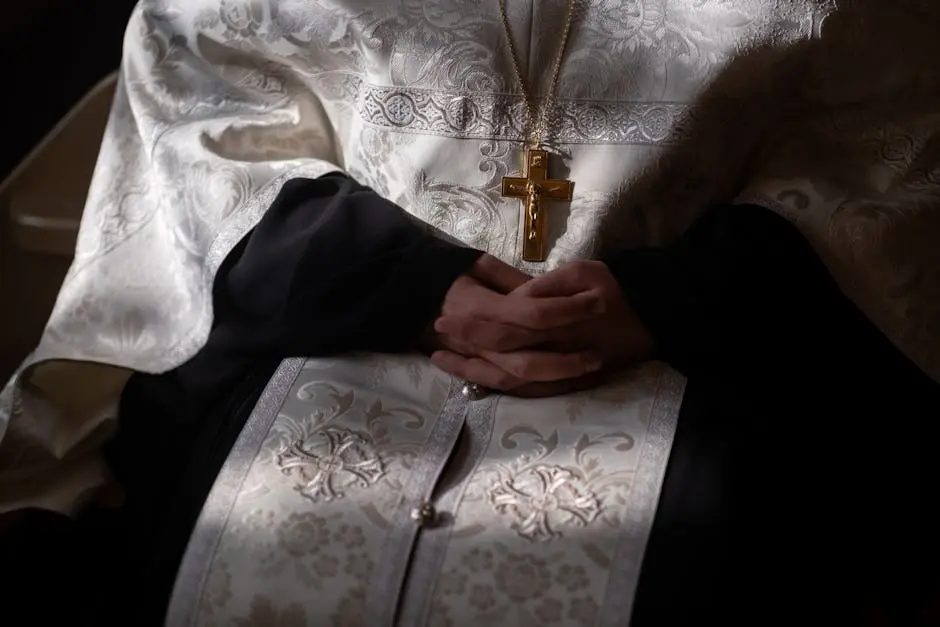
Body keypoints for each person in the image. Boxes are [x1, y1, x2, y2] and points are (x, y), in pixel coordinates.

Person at [2, 1, 939, 625]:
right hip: (323, 313)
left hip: (706, 348)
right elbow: (199, 104)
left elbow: (891, 147)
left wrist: (676, 297)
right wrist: (400, 282)